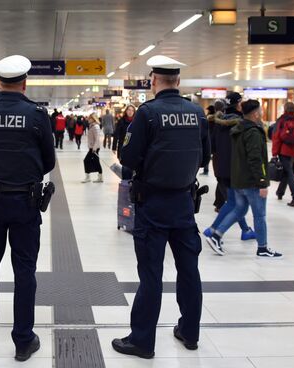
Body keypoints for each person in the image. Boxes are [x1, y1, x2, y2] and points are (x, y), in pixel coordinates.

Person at [112, 55, 210, 359]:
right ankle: (189, 332)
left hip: (152, 203)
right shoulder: (197, 113)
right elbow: (205, 158)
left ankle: (142, 341)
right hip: (183, 202)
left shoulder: (148, 113)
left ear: (154, 81)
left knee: (152, 274)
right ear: (178, 82)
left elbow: (128, 158)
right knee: (189, 270)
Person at [0, 55, 55, 362]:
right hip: (25, 204)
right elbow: (48, 161)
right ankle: (22, 341)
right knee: (24, 272)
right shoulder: (36, 114)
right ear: (25, 82)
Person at [205, 100, 282, 258]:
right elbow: (255, 159)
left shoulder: (238, 129)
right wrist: (261, 182)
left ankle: (216, 235)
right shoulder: (253, 132)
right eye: (260, 111)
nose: (261, 113)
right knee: (259, 215)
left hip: (238, 179)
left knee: (240, 209)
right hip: (251, 181)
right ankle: (263, 248)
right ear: (255, 114)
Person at [203, 93, 255, 249]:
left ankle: (216, 229)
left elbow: (212, 146)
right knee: (239, 204)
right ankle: (217, 232)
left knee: (233, 202)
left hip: (221, 168)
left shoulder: (218, 122)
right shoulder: (243, 123)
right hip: (236, 169)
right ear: (239, 104)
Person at [82, 112, 103, 183]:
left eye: (90, 118)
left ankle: (88, 177)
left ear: (93, 119)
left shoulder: (95, 126)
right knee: (96, 161)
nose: (88, 119)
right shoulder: (92, 125)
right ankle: (99, 177)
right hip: (92, 147)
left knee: (86, 160)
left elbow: (97, 138)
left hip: (94, 148)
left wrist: (94, 148)